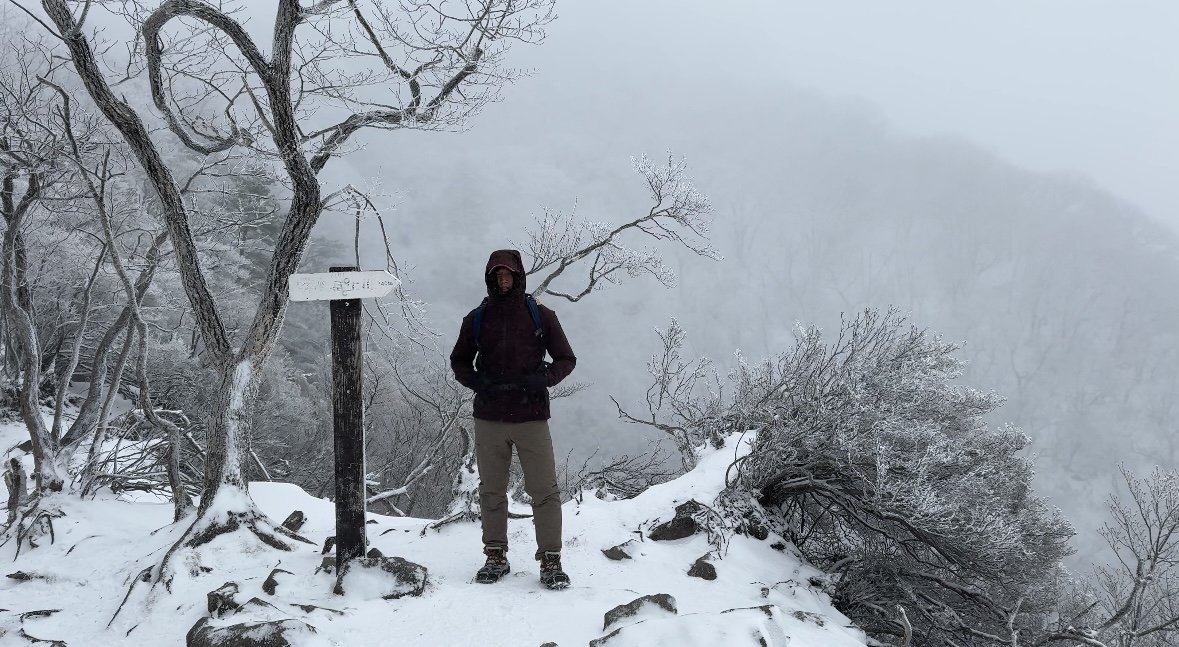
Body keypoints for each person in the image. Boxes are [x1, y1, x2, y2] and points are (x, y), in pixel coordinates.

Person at [450, 249, 577, 589]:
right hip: (489, 417)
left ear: (518, 275)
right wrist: (479, 383)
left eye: (508, 274)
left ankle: (551, 559)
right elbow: (459, 361)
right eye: (497, 275)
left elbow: (566, 359)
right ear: (490, 278)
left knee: (545, 490)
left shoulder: (540, 316)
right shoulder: (477, 318)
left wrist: (543, 379)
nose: (502, 280)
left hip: (531, 415)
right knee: (492, 490)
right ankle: (495, 555)